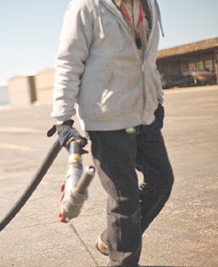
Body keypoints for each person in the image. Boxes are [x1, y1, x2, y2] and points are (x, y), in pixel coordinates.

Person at [49, 0, 174, 266]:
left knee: (162, 180)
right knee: (124, 200)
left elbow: (146, 61)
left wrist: (157, 99)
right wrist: (63, 119)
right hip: (107, 120)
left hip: (144, 114)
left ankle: (111, 239)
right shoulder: (86, 7)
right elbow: (68, 63)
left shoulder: (148, 4)